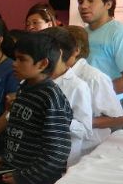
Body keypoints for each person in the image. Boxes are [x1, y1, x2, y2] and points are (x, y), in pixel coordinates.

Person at [0, 32, 72, 184]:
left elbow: (58, 151)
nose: (14, 63)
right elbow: (22, 132)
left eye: (21, 59)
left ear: (42, 64)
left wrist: (24, 177)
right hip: (12, 174)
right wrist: (5, 156)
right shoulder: (26, 87)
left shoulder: (50, 97)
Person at [41, 27, 96, 166]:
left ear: (58, 53)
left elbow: (85, 131)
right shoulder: (32, 80)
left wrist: (59, 117)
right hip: (31, 157)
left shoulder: (77, 86)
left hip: (59, 162)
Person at [65, 25, 123, 147]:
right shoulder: (54, 75)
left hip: (88, 147)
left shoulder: (94, 78)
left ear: (76, 50)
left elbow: (117, 119)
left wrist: (75, 123)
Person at [77, 0, 123, 96]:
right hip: (85, 105)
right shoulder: (81, 34)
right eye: (80, 1)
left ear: (108, 4)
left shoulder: (119, 33)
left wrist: (95, 95)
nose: (83, 6)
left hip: (112, 106)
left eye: (91, 0)